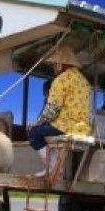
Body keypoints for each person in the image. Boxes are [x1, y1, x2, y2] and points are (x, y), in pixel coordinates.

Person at [28, 44, 92, 173]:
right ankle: (57, 165)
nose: (53, 68)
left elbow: (52, 110)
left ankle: (53, 168)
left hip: (65, 126)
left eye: (54, 65)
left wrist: (37, 123)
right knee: (45, 131)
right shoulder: (84, 81)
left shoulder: (61, 80)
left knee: (33, 133)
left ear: (59, 64)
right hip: (83, 128)